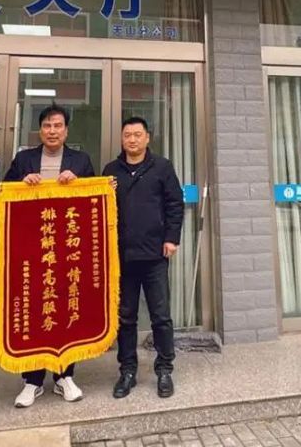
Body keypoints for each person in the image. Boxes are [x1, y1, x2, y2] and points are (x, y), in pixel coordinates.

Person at [3, 104, 95, 408]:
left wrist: (78, 183)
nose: (52, 131)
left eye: (57, 126)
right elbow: (0, 192)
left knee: (66, 308)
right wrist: (21, 184)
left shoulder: (81, 161)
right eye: (47, 125)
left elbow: (95, 203)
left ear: (66, 131)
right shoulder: (24, 159)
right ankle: (32, 381)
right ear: (39, 130)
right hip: (32, 249)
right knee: (35, 310)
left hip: (67, 251)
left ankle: (64, 376)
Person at [103, 116, 184, 400]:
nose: (132, 139)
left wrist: (171, 238)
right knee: (126, 318)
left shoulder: (162, 167)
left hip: (154, 256)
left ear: (147, 138)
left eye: (138, 134)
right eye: (127, 135)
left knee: (161, 316)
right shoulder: (111, 171)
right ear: (122, 138)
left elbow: (175, 203)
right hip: (122, 257)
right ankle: (127, 371)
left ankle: (164, 369)